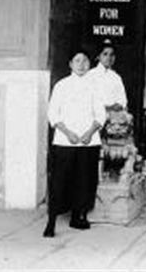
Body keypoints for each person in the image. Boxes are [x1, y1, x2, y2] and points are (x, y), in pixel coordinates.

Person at [43, 49, 106, 238]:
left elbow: (100, 114)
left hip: (88, 142)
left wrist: (89, 133)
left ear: (89, 64)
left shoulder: (95, 86)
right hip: (64, 141)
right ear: (70, 64)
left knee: (85, 181)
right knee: (59, 181)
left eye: (85, 60)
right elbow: (53, 114)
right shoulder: (61, 85)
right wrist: (68, 133)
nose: (81, 64)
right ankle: (51, 221)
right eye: (77, 60)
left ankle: (78, 216)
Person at [88, 39, 128, 110]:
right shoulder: (90, 75)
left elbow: (123, 101)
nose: (109, 58)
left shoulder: (116, 77)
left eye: (111, 55)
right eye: (105, 54)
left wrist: (116, 107)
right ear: (98, 56)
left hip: (115, 114)